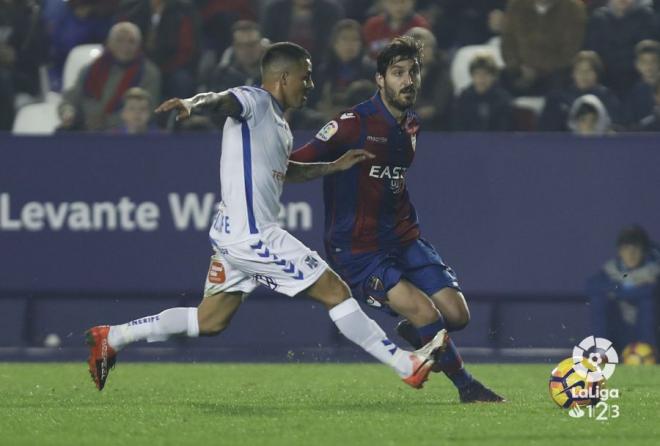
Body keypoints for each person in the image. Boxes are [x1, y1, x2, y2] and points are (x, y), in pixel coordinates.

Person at [85, 41, 447, 392]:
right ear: (284, 78)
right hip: (254, 236)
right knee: (335, 291)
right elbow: (222, 100)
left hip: (234, 235)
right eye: (305, 77)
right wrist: (192, 103)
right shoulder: (256, 101)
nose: (311, 85)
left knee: (209, 320)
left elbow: (287, 171)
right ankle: (406, 365)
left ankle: (113, 336)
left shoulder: (278, 125)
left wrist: (332, 166)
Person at [289, 37, 504, 403]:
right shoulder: (351, 125)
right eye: (398, 73)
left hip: (404, 238)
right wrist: (333, 166)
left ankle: (418, 331)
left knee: (456, 315)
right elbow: (291, 165)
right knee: (426, 311)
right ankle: (468, 388)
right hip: (359, 249)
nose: (408, 80)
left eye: (413, 72)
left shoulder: (412, 126)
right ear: (380, 79)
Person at [58, 21, 161, 132]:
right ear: (109, 43)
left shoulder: (149, 73)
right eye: (119, 40)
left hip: (124, 132)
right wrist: (67, 112)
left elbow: (148, 110)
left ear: (139, 45)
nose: (125, 46)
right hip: (85, 128)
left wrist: (106, 122)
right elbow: (72, 98)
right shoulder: (91, 69)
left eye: (131, 42)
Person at [586, 225, 660, 351]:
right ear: (619, 251)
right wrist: (626, 288)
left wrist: (615, 291)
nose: (631, 254)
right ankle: (602, 350)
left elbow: (650, 291)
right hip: (620, 332)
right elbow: (591, 286)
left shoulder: (655, 271)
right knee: (599, 301)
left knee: (647, 303)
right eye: (626, 248)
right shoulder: (610, 270)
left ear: (644, 251)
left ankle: (646, 352)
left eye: (636, 248)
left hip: (649, 335)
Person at [500, 0, 586, 96]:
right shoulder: (516, 5)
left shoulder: (573, 8)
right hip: (520, 72)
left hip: (555, 74)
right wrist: (519, 67)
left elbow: (571, 51)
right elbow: (507, 43)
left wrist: (538, 69)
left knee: (561, 79)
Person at [539, 50, 621, 131]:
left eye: (589, 70)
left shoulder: (607, 97)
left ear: (597, 73)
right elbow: (546, 131)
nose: (584, 75)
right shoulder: (557, 99)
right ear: (572, 74)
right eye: (579, 70)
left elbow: (616, 127)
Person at [452, 54, 512, 132]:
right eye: (477, 73)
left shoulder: (503, 99)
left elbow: (504, 129)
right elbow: (457, 126)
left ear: (493, 76)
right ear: (472, 76)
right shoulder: (463, 97)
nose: (481, 78)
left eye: (486, 74)